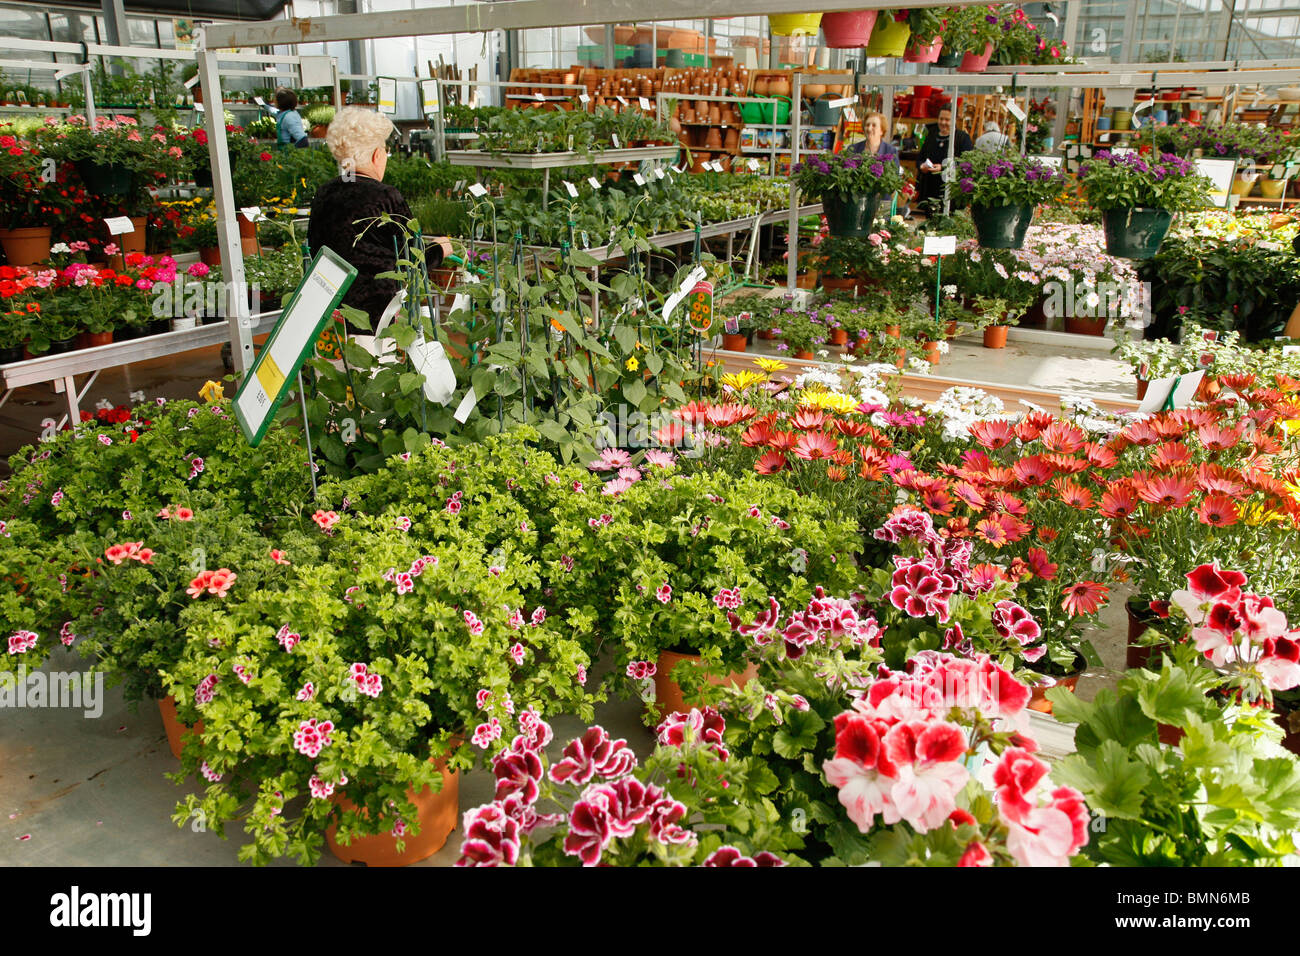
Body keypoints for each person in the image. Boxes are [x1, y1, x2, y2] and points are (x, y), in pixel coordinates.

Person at [308, 107, 414, 328]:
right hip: (379, 315)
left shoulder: (324, 193)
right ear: (377, 155)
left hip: (331, 312)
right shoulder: (386, 196)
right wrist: (442, 249)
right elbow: (413, 257)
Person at [915, 106, 974, 216]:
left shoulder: (962, 138)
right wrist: (922, 166)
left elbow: (967, 164)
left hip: (950, 193)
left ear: (954, 120)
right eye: (941, 119)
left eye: (947, 120)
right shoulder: (931, 136)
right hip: (930, 191)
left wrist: (943, 168)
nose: (943, 122)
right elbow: (920, 158)